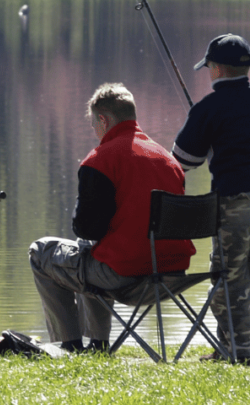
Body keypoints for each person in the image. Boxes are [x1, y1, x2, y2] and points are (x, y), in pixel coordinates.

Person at [30, 83, 195, 353]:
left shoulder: (100, 160)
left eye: (94, 123)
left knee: (42, 251)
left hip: (126, 277)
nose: (94, 130)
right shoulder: (169, 160)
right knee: (88, 252)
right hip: (172, 274)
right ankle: (97, 344)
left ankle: (68, 345)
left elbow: (86, 227)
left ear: (104, 119)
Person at [172, 34, 250, 364]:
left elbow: (182, 161)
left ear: (217, 69)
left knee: (229, 278)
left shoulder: (209, 108)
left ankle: (235, 352)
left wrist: (204, 134)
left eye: (209, 67)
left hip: (237, 199)